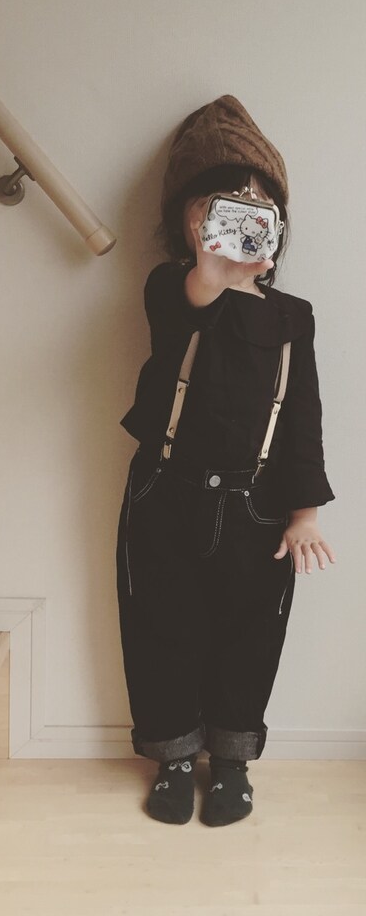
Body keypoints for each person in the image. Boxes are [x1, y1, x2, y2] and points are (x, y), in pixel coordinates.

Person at [117, 95, 335, 827]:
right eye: (219, 206)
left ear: (277, 223)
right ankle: (175, 757)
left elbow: (303, 416)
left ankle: (233, 761)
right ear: (187, 220)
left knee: (250, 634)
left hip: (258, 504)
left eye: (256, 206)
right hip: (166, 491)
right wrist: (211, 271)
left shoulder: (293, 316)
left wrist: (305, 513)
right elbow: (190, 306)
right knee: (163, 627)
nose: (240, 218)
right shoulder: (170, 288)